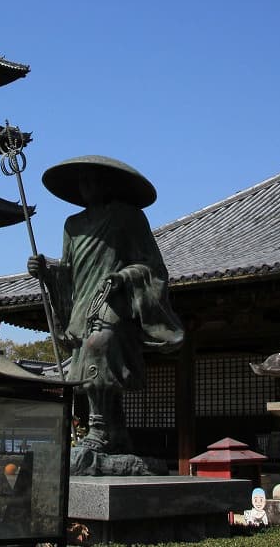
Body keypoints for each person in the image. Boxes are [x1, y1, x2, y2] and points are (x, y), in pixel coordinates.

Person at [28, 155, 184, 455]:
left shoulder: (127, 217)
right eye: (82, 181)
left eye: (93, 179)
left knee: (98, 351)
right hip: (83, 303)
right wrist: (46, 270)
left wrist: (125, 276)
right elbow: (69, 271)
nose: (86, 186)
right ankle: (117, 431)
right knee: (88, 361)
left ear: (108, 183)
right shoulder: (72, 225)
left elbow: (151, 266)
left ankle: (98, 429)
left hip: (115, 301)